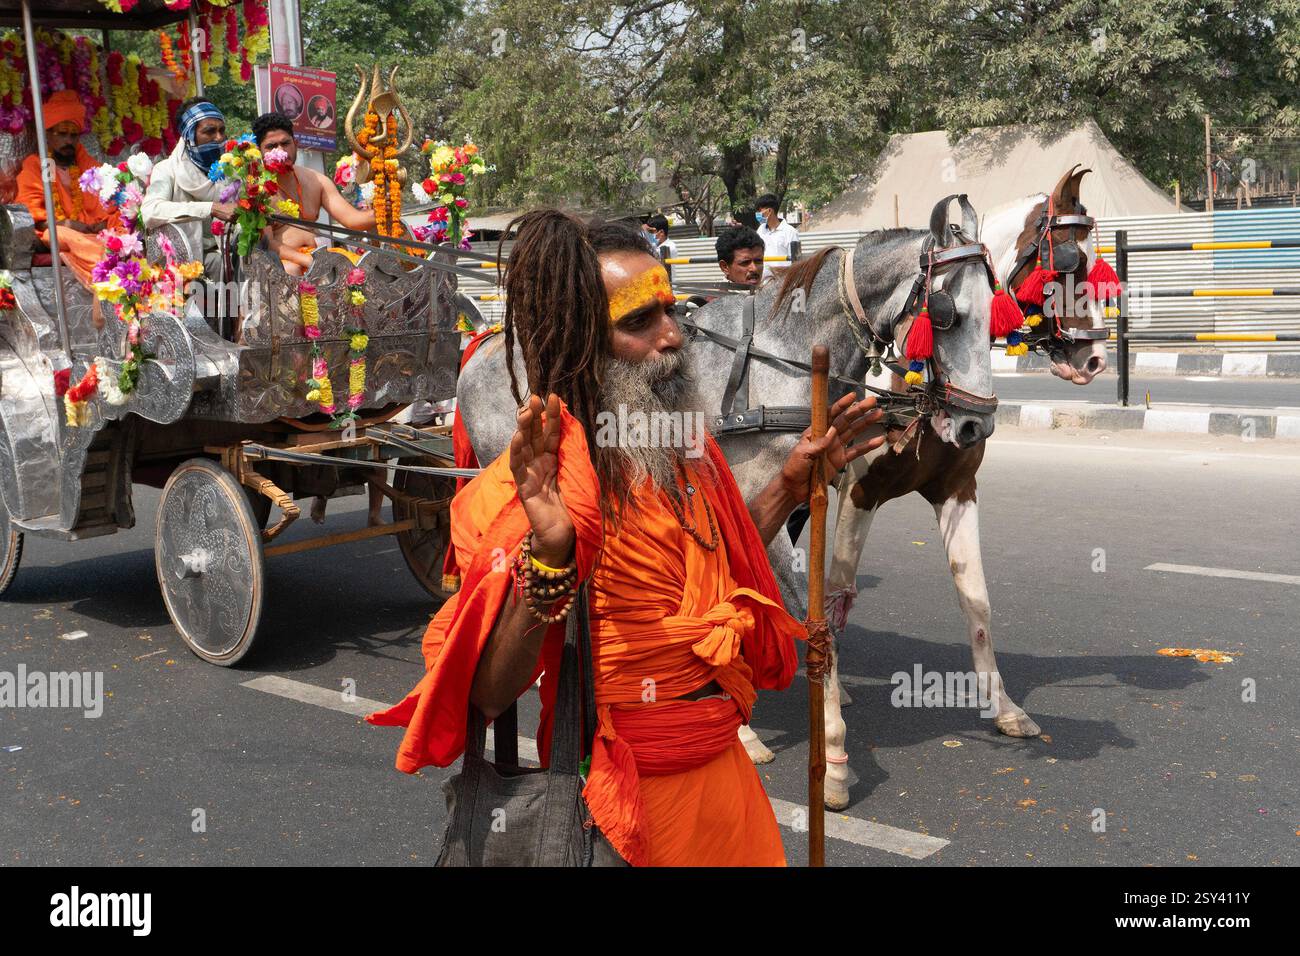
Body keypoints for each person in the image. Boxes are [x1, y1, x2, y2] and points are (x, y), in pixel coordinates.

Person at [368, 210, 885, 866]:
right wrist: (552, 553)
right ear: (584, 344)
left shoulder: (688, 451)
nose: (674, 335)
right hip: (623, 803)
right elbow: (491, 694)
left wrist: (787, 485)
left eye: (669, 309)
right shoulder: (553, 480)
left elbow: (717, 570)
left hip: (725, 780)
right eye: (639, 321)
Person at [15, 90, 116, 290]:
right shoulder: (41, 166)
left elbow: (108, 202)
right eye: (62, 134)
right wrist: (68, 224)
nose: (68, 141)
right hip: (57, 230)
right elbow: (34, 217)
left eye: (73, 135)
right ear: (48, 135)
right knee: (62, 233)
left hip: (93, 230)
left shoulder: (87, 166)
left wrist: (101, 222)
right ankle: (104, 272)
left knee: (123, 224)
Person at [252, 112, 375, 275]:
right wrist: (307, 260)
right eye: (271, 146)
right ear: (258, 151)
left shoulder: (317, 180)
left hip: (318, 258)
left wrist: (383, 209)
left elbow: (352, 220)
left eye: (285, 143)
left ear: (295, 144)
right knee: (292, 270)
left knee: (359, 270)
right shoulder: (256, 189)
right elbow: (267, 243)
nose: (281, 151)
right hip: (285, 264)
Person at [141, 96, 237, 280]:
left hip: (228, 253)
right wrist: (210, 208)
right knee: (218, 264)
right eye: (209, 132)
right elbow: (150, 211)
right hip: (185, 265)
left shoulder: (230, 169)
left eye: (221, 130)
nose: (218, 138)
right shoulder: (167, 169)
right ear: (189, 135)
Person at [754, 193, 799, 278]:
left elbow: (796, 263)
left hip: (782, 282)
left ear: (770, 211)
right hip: (763, 281)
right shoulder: (760, 230)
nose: (757, 214)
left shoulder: (790, 232)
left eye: (760, 211)